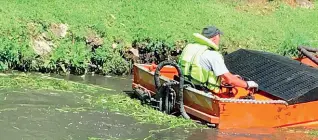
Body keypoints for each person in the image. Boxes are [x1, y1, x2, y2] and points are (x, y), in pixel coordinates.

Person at [178, 25, 259, 93]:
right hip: (201, 90)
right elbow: (229, 80)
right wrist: (247, 84)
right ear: (215, 38)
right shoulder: (213, 55)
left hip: (185, 84)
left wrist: (230, 76)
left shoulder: (190, 46)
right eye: (219, 37)